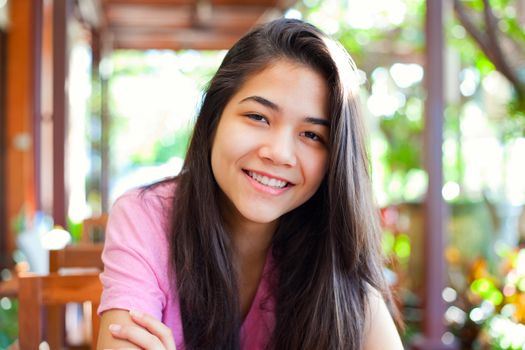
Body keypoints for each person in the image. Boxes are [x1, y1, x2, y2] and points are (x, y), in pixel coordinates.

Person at [96, 18, 403, 349]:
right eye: (258, 117)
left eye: (312, 135)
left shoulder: (333, 253)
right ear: (213, 118)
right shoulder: (146, 217)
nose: (279, 153)